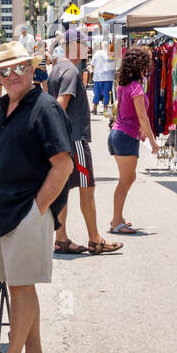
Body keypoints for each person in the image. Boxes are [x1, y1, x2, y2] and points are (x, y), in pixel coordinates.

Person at [0, 41, 74, 353]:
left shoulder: (45, 107)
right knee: (19, 285)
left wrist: (37, 207)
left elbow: (63, 165)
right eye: (5, 71)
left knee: (20, 287)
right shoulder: (2, 107)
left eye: (19, 67)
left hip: (25, 211)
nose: (12, 75)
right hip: (2, 211)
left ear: (32, 69)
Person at [47, 29, 121, 256]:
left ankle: (61, 239)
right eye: (84, 43)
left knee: (63, 190)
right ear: (73, 45)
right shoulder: (70, 71)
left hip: (65, 141)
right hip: (74, 139)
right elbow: (59, 105)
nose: (87, 48)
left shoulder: (58, 68)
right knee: (87, 188)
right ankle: (95, 239)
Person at [106, 45, 159, 235]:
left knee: (127, 179)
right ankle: (116, 222)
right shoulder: (136, 87)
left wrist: (140, 129)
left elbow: (126, 111)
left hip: (119, 133)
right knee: (125, 180)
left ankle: (117, 219)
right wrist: (152, 142)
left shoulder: (124, 85)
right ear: (141, 66)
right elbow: (142, 116)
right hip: (125, 136)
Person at [89, 39, 115, 115]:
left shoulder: (97, 53)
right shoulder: (111, 53)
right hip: (108, 77)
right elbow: (113, 65)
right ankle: (105, 109)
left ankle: (94, 108)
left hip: (98, 77)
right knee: (107, 93)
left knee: (97, 93)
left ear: (101, 46)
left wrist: (95, 71)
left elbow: (92, 64)